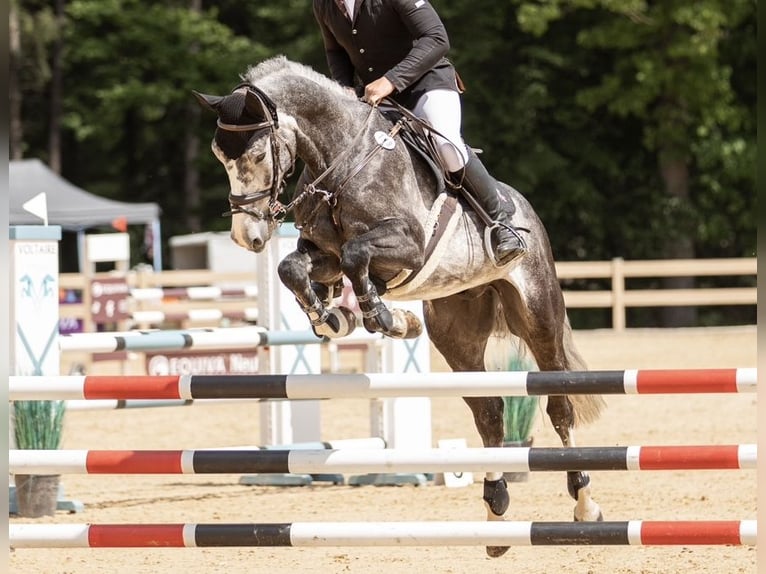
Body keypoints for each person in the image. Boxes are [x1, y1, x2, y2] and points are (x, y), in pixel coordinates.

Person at [312, 0, 527, 264]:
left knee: (445, 144)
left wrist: (391, 80)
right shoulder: (323, 4)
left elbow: (437, 39)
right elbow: (335, 52)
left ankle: (501, 222)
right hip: (378, 98)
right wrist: (343, 87)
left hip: (427, 84)